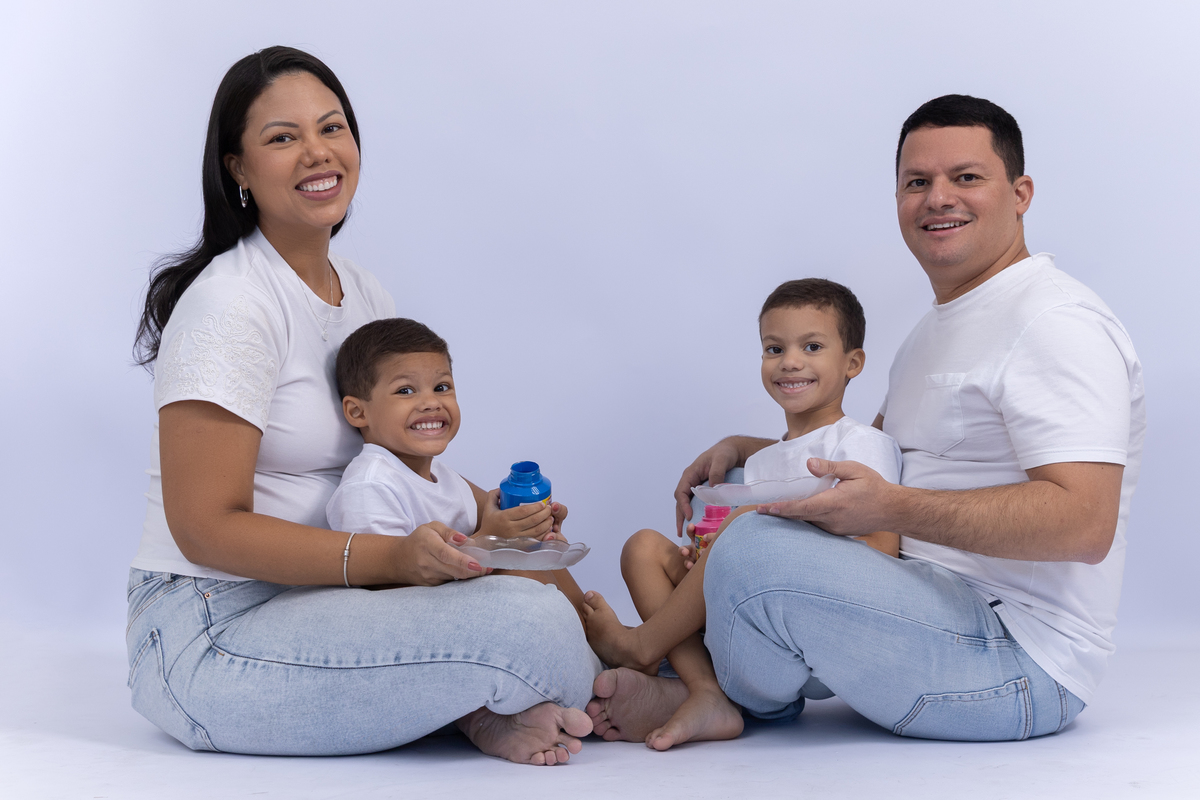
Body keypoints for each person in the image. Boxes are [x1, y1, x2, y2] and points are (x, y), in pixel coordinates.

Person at [592, 94, 1144, 742]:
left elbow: (1085, 524)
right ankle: (701, 688)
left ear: (1020, 193)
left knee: (749, 544)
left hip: (1015, 663)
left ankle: (693, 683)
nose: (938, 198)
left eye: (965, 177)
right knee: (733, 523)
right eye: (917, 182)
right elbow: (854, 460)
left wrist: (891, 510)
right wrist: (744, 446)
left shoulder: (1054, 322)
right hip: (920, 606)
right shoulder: (931, 333)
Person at [127, 46, 598, 765]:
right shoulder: (230, 305)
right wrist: (395, 560)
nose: (318, 153)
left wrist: (490, 515)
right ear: (239, 169)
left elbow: (391, 460)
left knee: (535, 576)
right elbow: (203, 529)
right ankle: (592, 685)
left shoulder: (363, 292)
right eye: (283, 138)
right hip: (214, 628)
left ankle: (490, 705)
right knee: (531, 624)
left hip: (331, 603)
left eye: (332, 128)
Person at [584, 278, 903, 750]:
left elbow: (881, 549)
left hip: (807, 616)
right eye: (774, 348)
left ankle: (642, 647)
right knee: (644, 547)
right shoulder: (759, 461)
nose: (790, 361)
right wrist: (710, 558)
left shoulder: (860, 444)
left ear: (852, 362)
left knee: (742, 530)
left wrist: (749, 540)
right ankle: (705, 690)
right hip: (740, 605)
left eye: (812, 346)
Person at [325, 317, 588, 619]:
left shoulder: (446, 478)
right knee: (518, 569)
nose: (431, 402)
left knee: (534, 553)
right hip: (417, 628)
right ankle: (595, 642)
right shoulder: (369, 486)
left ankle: (596, 635)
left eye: (441, 387)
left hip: (459, 606)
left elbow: (495, 538)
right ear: (358, 412)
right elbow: (388, 590)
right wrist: (491, 540)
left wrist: (530, 530)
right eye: (405, 391)